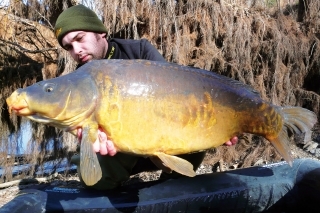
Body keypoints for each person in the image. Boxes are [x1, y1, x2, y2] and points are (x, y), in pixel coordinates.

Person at [54, 4, 238, 190]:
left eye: (80, 38)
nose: (76, 50)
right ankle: (112, 190)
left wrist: (219, 125)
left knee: (195, 126)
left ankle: (174, 181)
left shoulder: (139, 51)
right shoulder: (80, 81)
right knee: (94, 180)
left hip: (162, 140)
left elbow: (173, 97)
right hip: (119, 151)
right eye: (68, 47)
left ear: (99, 33)